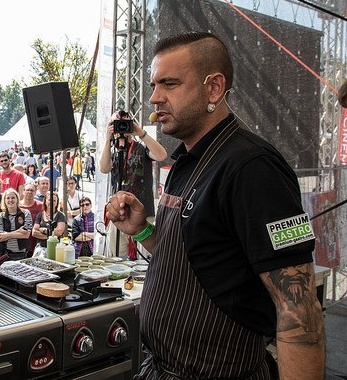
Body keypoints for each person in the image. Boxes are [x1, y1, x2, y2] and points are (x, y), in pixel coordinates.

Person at [106, 32, 323, 379]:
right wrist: (143, 229)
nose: (155, 98)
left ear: (214, 88)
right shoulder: (186, 160)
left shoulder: (254, 167)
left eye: (170, 84)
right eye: (153, 85)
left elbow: (299, 310)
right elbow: (198, 254)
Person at [0, 188, 31, 260]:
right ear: (4, 201)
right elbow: (0, 237)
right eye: (8, 198)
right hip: (5, 255)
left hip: (22, 254)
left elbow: (26, 234)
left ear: (17, 199)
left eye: (13, 198)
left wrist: (7, 234)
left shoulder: (25, 213)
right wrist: (18, 231)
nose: (10, 200)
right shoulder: (1, 216)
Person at [19, 183, 42, 256]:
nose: (29, 192)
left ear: (35, 192)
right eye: (27, 190)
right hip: (21, 244)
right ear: (23, 191)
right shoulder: (18, 206)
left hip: (36, 243)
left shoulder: (41, 206)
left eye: (32, 190)